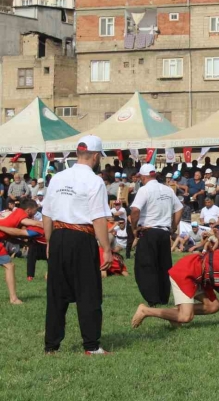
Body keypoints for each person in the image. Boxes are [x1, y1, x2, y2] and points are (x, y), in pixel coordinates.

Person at [42, 135, 113, 355]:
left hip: (59, 236)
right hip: (81, 238)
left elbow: (47, 213)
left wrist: (49, 241)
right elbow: (99, 218)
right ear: (95, 156)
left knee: (56, 294)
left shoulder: (58, 178)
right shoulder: (94, 180)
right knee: (88, 292)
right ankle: (91, 346)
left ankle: (51, 346)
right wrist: (107, 249)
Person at [130, 163, 184, 308]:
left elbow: (135, 210)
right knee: (164, 266)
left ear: (143, 176)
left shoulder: (144, 190)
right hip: (164, 232)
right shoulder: (167, 190)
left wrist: (134, 228)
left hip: (149, 230)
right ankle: (163, 297)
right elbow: (179, 208)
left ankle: (152, 298)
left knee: (146, 266)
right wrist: (173, 226)